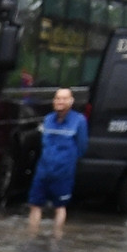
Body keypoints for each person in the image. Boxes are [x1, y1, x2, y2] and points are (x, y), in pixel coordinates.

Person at [29, 87, 88, 233]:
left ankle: (56, 238)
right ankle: (31, 236)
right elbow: (42, 144)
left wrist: (67, 163)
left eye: (64, 98)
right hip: (43, 172)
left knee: (60, 207)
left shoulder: (79, 121)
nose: (60, 101)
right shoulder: (48, 119)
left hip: (63, 174)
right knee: (35, 205)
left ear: (71, 101)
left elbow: (82, 147)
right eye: (57, 98)